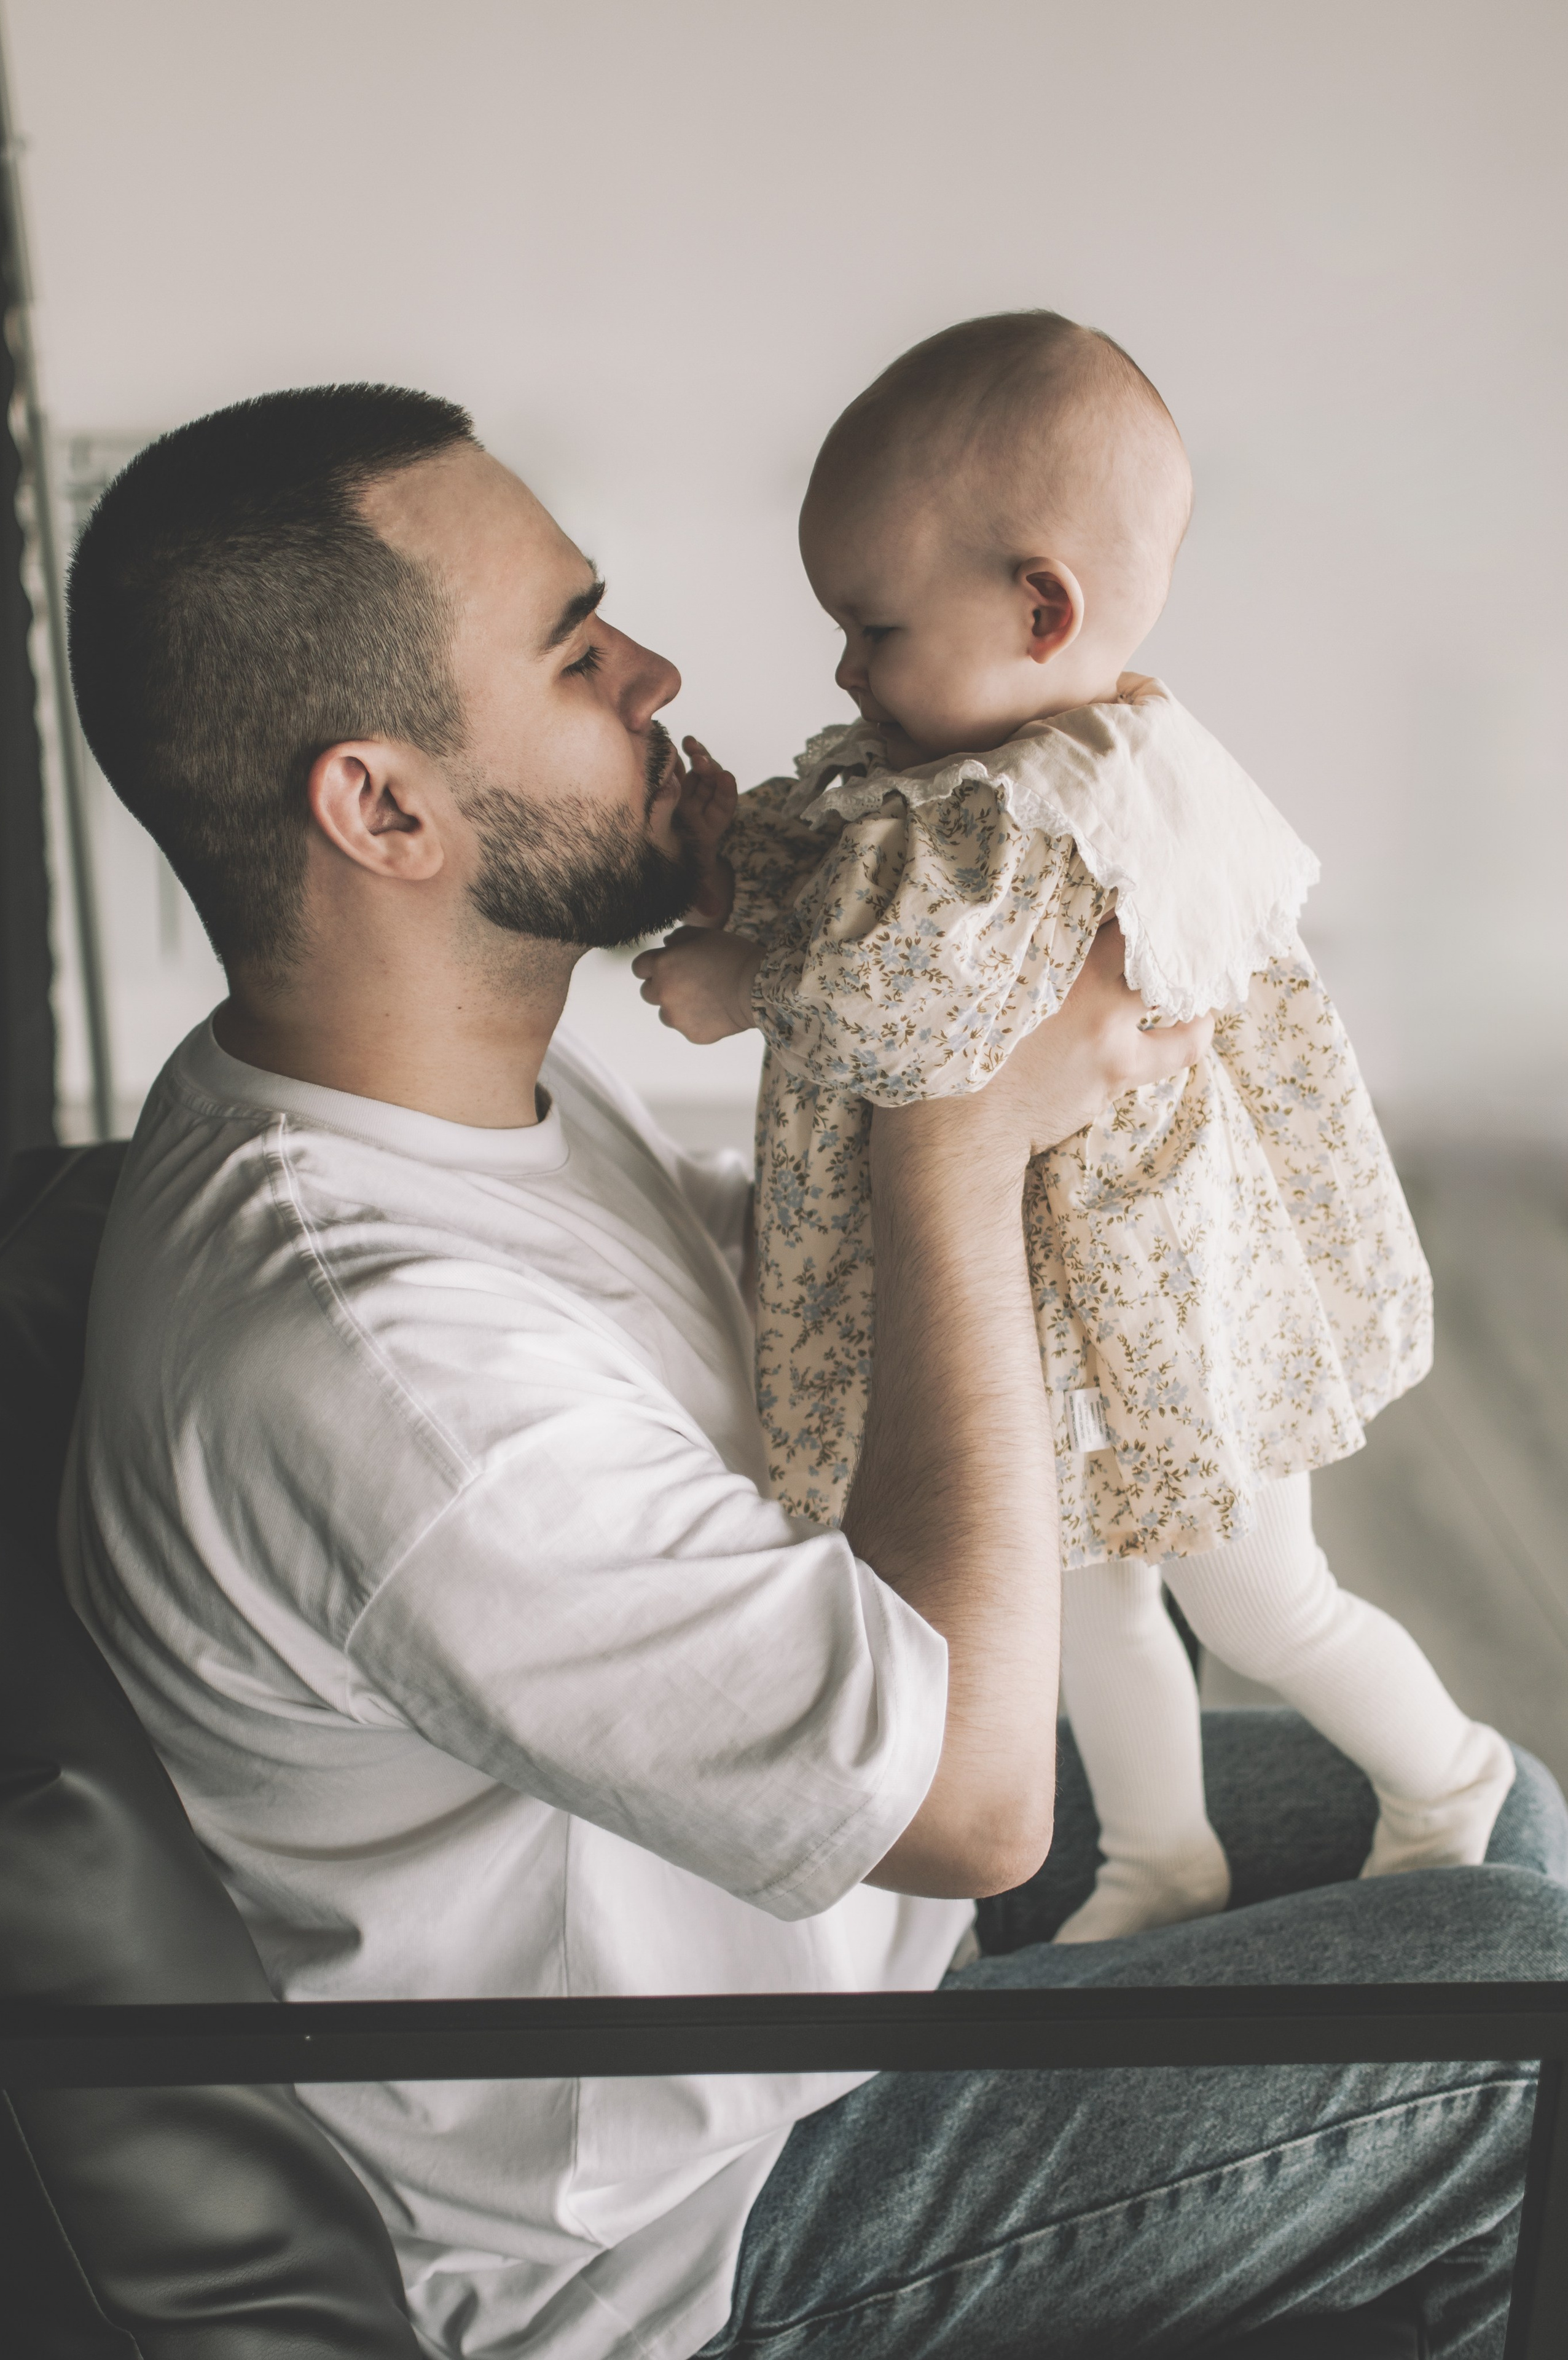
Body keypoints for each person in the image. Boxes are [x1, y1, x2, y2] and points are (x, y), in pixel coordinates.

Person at [58, 383, 1568, 2360]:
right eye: (577, 647)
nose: (660, 673)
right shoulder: (374, 1362)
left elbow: (756, 1304)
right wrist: (961, 1126)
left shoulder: (400, 1099)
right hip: (684, 2220)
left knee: (1493, 1815)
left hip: (806, 1957)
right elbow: (974, 1810)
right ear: (385, 805)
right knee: (1521, 2011)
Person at [632, 311, 1513, 1948]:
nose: (844, 671)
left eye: (872, 627)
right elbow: (845, 871)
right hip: (1053, 1319)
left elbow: (920, 1005)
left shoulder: (1051, 812)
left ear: (1041, 607)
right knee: (1080, 1604)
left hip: (1165, 1316)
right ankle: (1159, 1857)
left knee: (1258, 1596)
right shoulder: (967, 773)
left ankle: (1452, 1778)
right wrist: (724, 867)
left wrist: (743, 978)